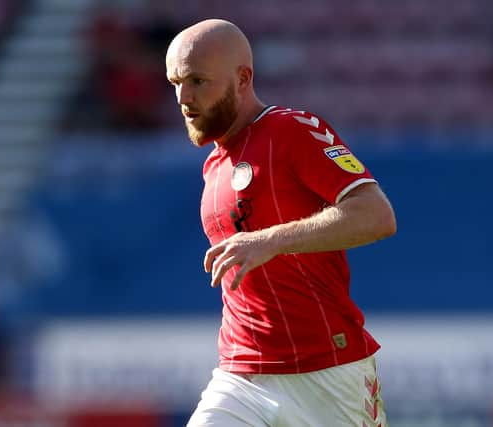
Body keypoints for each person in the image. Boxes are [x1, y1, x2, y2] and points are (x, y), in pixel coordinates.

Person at [165, 19, 396, 427]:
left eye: (198, 81)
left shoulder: (291, 130)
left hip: (328, 373)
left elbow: (376, 214)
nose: (184, 98)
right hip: (241, 377)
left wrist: (269, 240)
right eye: (176, 82)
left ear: (243, 78)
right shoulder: (214, 165)